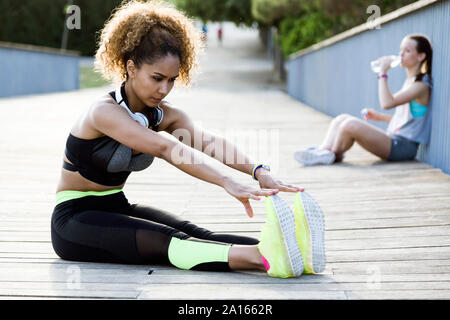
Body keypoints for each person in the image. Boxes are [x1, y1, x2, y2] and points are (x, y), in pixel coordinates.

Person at [51, 0, 321, 278]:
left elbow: (208, 142)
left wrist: (257, 171)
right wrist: (227, 182)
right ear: (131, 68)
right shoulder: (103, 113)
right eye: (157, 78)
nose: (164, 89)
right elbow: (167, 148)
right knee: (171, 241)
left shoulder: (162, 114)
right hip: (74, 220)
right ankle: (265, 259)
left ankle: (291, 249)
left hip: (116, 206)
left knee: (196, 233)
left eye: (171, 80)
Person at [294, 34, 433, 166]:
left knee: (350, 125)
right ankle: (323, 151)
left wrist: (382, 74)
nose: (401, 54)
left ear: (421, 56)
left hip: (403, 147)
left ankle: (330, 154)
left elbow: (387, 103)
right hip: (395, 140)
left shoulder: (421, 86)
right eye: (401, 50)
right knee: (341, 119)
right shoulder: (411, 81)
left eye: (407, 51)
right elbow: (406, 121)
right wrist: (379, 117)